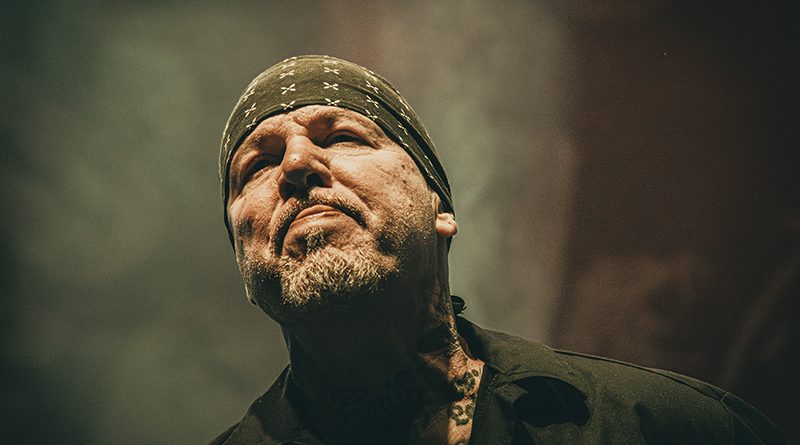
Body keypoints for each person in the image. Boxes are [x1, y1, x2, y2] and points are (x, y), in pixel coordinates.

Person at [211, 55, 786, 445]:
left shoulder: (675, 429)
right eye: (256, 165)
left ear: (440, 209)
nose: (296, 164)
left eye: (341, 136)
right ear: (242, 256)